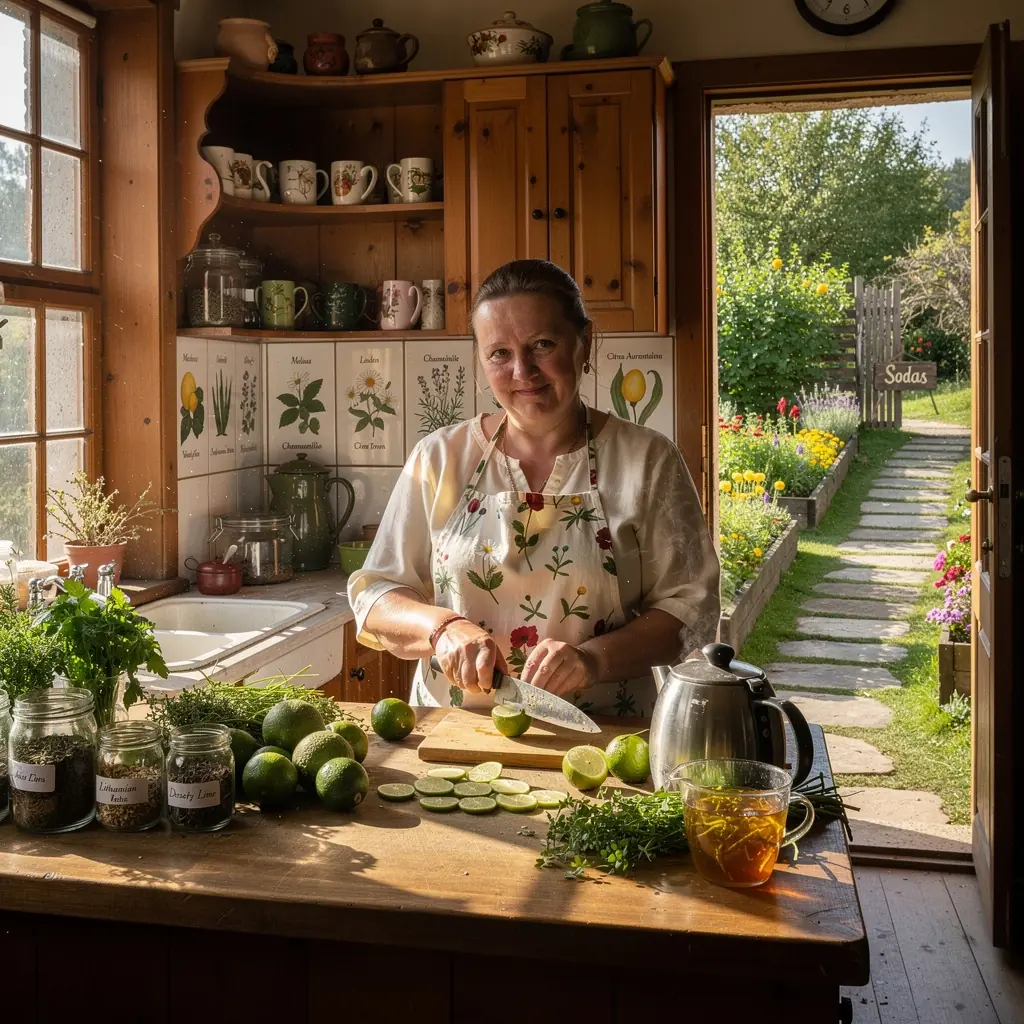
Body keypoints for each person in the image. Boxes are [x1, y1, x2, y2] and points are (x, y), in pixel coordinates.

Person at [347, 260, 719, 716]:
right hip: (453, 734)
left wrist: (592, 660)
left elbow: (691, 612)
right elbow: (376, 594)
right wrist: (442, 628)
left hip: (606, 740)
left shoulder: (648, 461)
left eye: (542, 344)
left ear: (584, 344)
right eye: (499, 353)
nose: (523, 371)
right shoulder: (439, 458)